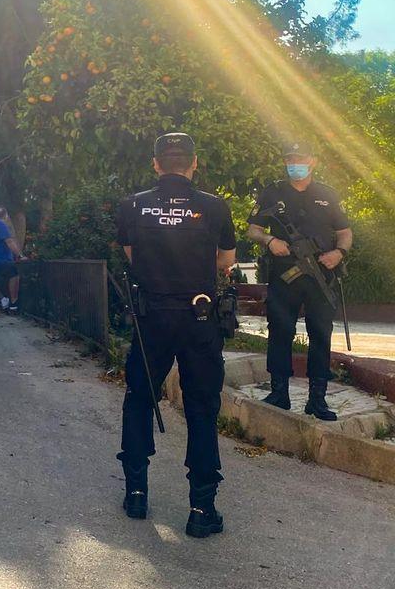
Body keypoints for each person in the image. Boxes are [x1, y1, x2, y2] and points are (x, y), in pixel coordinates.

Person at [115, 132, 237, 538]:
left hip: (152, 318)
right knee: (201, 408)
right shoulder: (215, 207)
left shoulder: (132, 206)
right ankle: (202, 509)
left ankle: (136, 493)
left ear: (156, 164)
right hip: (198, 318)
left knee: (139, 399)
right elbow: (225, 262)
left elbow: (131, 255)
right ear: (194, 163)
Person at [246, 142, 352, 421]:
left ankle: (317, 399)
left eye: (300, 158)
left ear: (312, 161)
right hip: (284, 274)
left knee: (321, 334)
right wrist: (270, 240)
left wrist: (338, 253)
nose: (294, 163)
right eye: (290, 159)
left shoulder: (327, 195)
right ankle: (279, 392)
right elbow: (253, 229)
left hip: (321, 276)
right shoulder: (273, 192)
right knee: (280, 330)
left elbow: (345, 232)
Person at [0, 206, 24, 312]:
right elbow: (9, 241)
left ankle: (3, 300)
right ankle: (13, 303)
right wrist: (20, 255)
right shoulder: (1, 224)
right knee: (14, 275)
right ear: (6, 216)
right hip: (3, 259)